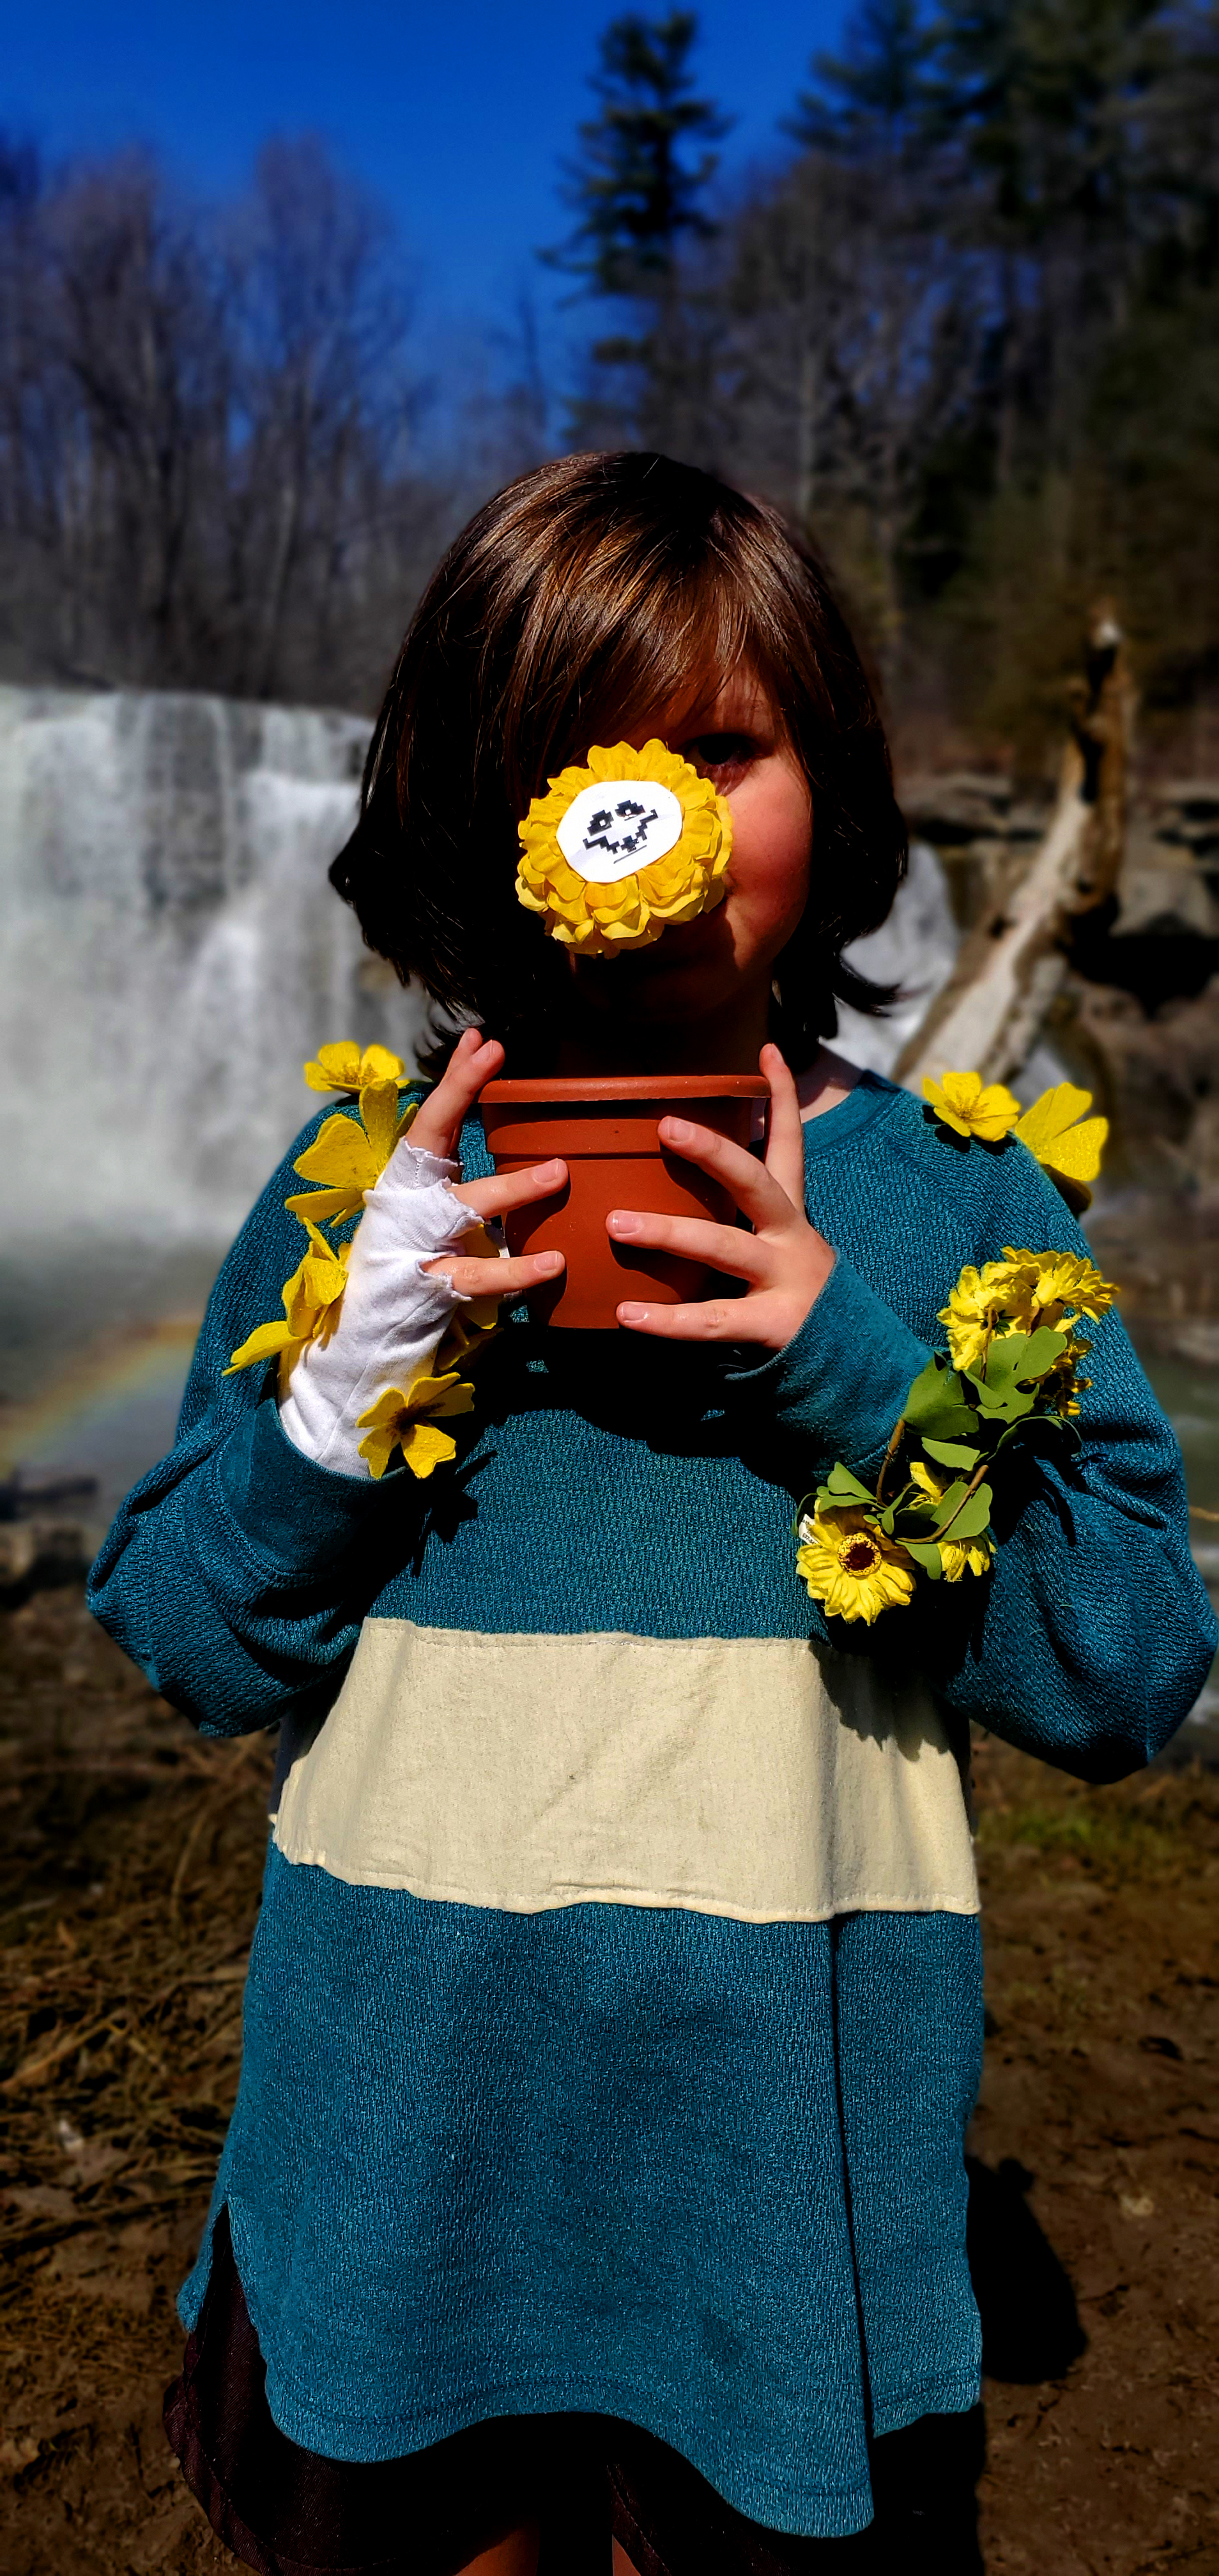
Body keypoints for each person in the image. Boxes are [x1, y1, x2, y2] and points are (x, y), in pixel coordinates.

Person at [89, 452, 1215, 2576]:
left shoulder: (956, 1200)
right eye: (577, 764)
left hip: (766, 2218)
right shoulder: (360, 1203)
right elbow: (178, 1632)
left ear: (832, 785)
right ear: (469, 812)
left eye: (719, 752)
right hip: (397, 2181)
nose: (652, 824)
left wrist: (861, 1374)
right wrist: (336, 1404)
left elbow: (1127, 1662)